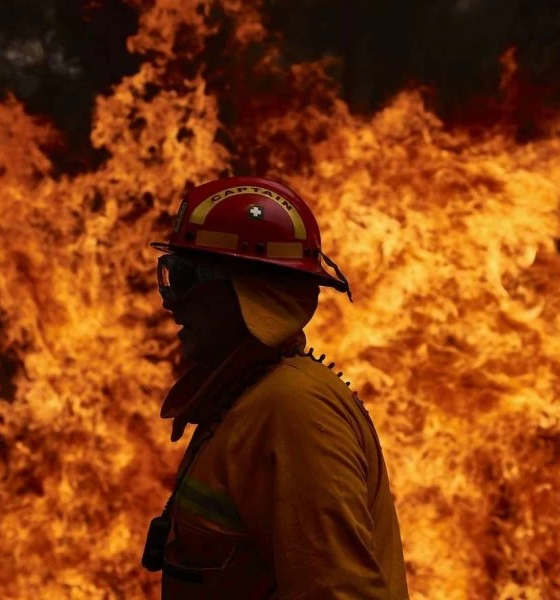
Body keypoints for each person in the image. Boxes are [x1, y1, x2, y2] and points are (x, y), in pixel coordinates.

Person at [142, 176, 410, 598]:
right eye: (169, 273)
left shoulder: (293, 411)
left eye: (186, 275)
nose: (170, 301)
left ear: (250, 289)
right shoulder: (245, 399)